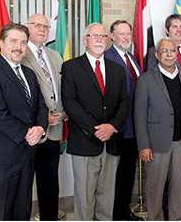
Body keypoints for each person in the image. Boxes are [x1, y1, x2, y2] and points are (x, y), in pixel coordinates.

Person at [0, 23, 48, 220]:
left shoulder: (29, 74)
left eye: (23, 42)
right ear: (1, 43)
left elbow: (42, 106)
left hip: (25, 155)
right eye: (13, 41)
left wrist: (40, 127)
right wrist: (27, 132)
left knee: (21, 211)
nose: (19, 47)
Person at [61, 22, 128, 220]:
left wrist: (113, 126)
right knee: (84, 196)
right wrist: (95, 129)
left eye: (103, 36)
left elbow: (124, 101)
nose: (99, 40)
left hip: (112, 142)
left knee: (107, 196)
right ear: (85, 40)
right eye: (94, 36)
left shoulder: (117, 69)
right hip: (85, 141)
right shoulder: (71, 67)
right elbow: (70, 103)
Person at [134, 37, 181, 221]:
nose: (169, 55)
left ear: (176, 53)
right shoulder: (145, 79)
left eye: (172, 51)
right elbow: (139, 115)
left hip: (180, 141)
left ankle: (176, 217)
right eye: (164, 51)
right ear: (157, 55)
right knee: (155, 186)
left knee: (178, 185)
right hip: (156, 144)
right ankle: (155, 217)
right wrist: (143, 146)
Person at [147, 13, 181, 220]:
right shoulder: (152, 57)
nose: (178, 30)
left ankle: (179, 210)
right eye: (174, 27)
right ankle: (158, 212)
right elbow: (150, 95)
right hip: (159, 132)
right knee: (158, 179)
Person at [22, 14, 66, 220]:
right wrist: (39, 118)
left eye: (45, 26)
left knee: (50, 182)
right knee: (24, 184)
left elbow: (63, 90)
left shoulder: (55, 56)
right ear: (26, 27)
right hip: (29, 131)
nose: (42, 29)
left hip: (54, 130)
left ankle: (49, 217)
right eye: (36, 25)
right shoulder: (19, 54)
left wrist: (64, 113)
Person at [105, 20, 143, 221]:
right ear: (112, 36)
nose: (126, 37)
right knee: (115, 176)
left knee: (128, 173)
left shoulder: (132, 58)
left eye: (128, 33)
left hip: (134, 128)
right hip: (118, 129)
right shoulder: (108, 58)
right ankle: (114, 214)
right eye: (121, 34)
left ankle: (123, 211)